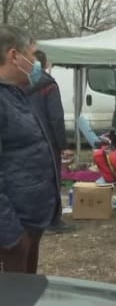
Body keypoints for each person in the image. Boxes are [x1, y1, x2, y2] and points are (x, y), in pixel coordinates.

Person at [0, 25, 60, 273]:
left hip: (30, 222)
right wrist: (13, 238)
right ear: (14, 56)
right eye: (33, 55)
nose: (37, 63)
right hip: (13, 232)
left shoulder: (16, 93)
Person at [25, 50, 73, 234]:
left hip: (27, 139)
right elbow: (56, 118)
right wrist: (63, 145)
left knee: (31, 179)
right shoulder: (48, 85)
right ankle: (53, 221)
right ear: (45, 64)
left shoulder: (18, 83)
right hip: (47, 139)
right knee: (52, 178)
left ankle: (35, 219)